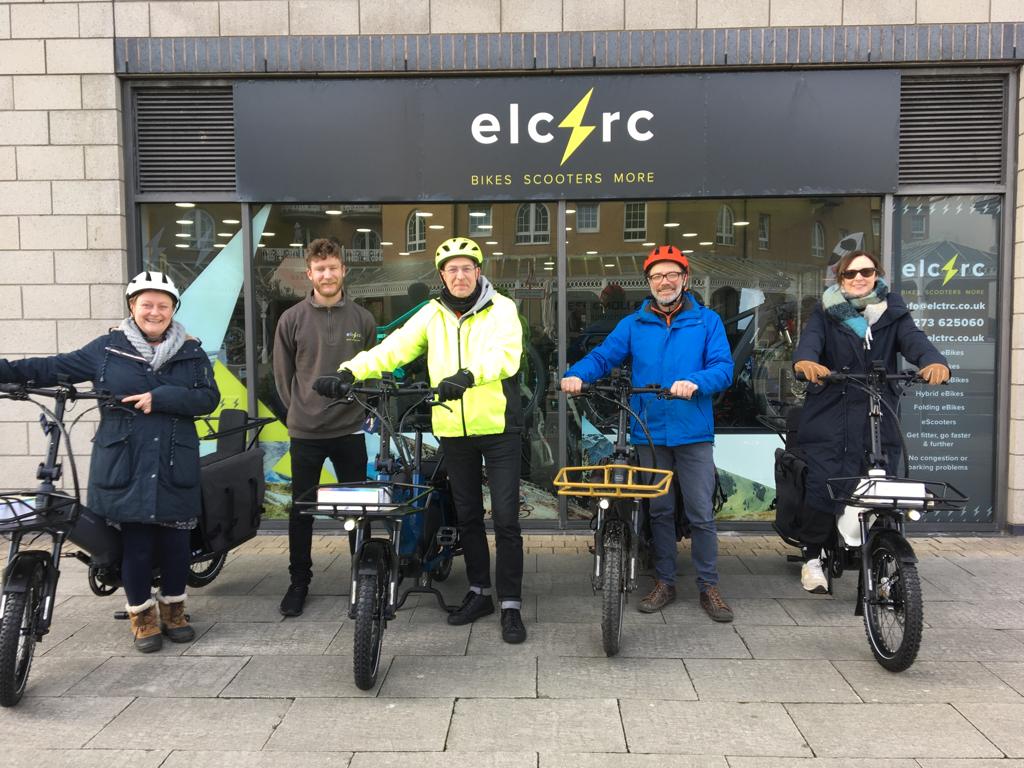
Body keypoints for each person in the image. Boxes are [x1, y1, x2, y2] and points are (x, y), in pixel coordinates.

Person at [314, 236, 527, 644]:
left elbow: (507, 355)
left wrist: (467, 377)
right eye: (452, 269)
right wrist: (348, 372)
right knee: (467, 517)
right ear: (442, 276)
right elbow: (394, 348)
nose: (460, 275)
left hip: (499, 428)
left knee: (506, 519)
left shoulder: (503, 309)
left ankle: (512, 604)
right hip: (452, 429)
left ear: (478, 272)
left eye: (467, 268)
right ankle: (480, 592)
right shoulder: (432, 314)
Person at [0, 271, 219, 652]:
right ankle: (142, 615)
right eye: (146, 304)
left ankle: (174, 610)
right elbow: (52, 366)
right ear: (132, 306)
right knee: (135, 542)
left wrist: (161, 397)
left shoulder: (191, 351)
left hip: (172, 458)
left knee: (175, 543)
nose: (154, 312)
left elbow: (207, 399)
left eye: (163, 305)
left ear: (173, 310)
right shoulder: (107, 349)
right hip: (125, 459)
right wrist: (7, 372)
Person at [561, 245, 735, 622]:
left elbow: (724, 368)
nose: (665, 282)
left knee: (701, 512)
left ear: (684, 279)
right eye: (657, 276)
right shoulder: (634, 324)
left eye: (672, 275)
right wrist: (579, 374)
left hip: (692, 433)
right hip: (649, 433)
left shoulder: (706, 322)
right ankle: (665, 581)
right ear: (649, 283)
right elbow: (604, 357)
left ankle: (709, 586)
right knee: (659, 510)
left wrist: (695, 381)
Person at [792, 250, 950, 592]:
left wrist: (933, 361)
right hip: (832, 413)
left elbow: (915, 341)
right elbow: (810, 343)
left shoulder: (893, 312)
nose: (859, 278)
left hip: (877, 415)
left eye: (866, 271)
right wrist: (806, 362)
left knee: (883, 490)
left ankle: (884, 563)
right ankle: (812, 557)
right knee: (824, 485)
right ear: (841, 279)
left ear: (877, 274)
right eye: (851, 273)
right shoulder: (825, 312)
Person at [273, 237, 377, 617]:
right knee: (302, 511)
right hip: (307, 432)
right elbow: (282, 377)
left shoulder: (363, 319)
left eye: (333, 267)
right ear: (309, 274)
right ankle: (298, 581)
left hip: (349, 430)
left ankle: (361, 581)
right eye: (320, 269)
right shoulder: (291, 319)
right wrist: (299, 411)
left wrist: (362, 407)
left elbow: (370, 369)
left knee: (358, 510)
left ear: (343, 270)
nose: (327, 274)